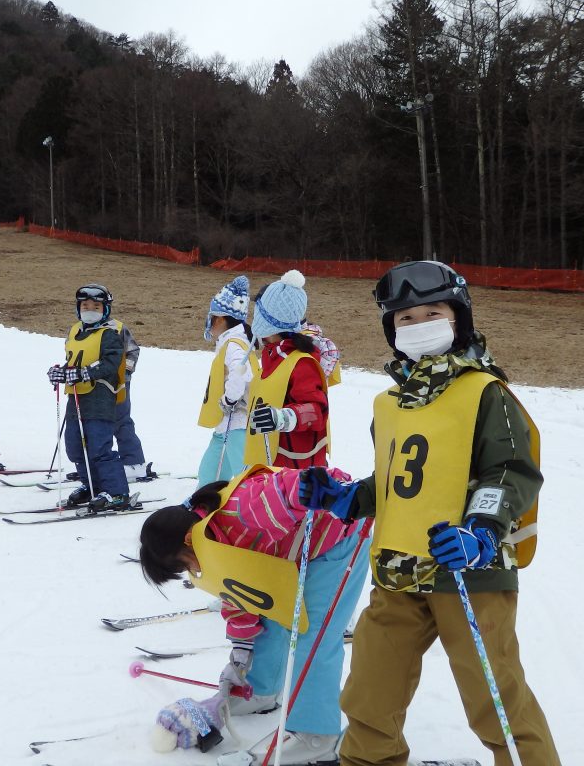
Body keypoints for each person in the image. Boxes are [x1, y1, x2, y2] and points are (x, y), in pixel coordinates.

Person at [332, 260, 560, 766]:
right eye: (404, 319)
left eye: (432, 312)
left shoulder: (485, 392)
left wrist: (480, 531)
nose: (417, 326)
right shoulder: (390, 403)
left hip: (469, 570)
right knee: (371, 692)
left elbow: (510, 473)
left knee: (494, 699)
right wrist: (348, 497)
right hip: (399, 571)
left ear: (458, 319)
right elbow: (402, 480)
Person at [139, 464, 372, 766]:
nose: (192, 571)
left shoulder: (239, 511)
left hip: (337, 542)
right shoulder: (211, 542)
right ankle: (260, 691)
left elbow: (280, 491)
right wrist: (241, 652)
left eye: (184, 565)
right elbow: (239, 595)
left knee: (309, 635)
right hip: (294, 556)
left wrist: (305, 488)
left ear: (186, 540)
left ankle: (316, 734)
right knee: (273, 616)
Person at [46, 284, 132, 512]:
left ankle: (116, 492)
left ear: (105, 310)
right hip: (76, 398)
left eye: (96, 306)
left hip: (100, 397)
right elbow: (75, 361)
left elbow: (110, 364)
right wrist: (61, 372)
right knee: (75, 446)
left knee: (98, 446)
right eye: (85, 306)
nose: (90, 310)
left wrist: (84, 372)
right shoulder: (75, 332)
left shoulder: (109, 335)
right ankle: (91, 485)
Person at [244, 270, 330, 469]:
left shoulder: (301, 363)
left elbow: (317, 411)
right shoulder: (272, 356)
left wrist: (282, 417)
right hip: (267, 462)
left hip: (294, 472)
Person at [197, 275, 257, 485]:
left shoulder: (233, 344)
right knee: (209, 473)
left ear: (221, 319)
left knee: (244, 477)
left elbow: (242, 372)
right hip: (227, 425)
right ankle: (204, 504)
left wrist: (230, 399)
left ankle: (251, 509)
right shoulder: (234, 341)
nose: (209, 322)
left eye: (211, 317)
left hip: (236, 422)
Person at [114, 323, 155, 482]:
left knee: (120, 421)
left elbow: (132, 351)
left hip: (119, 384)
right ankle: (94, 464)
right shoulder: (80, 329)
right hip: (91, 387)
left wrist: (123, 373)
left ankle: (134, 463)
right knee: (94, 425)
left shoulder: (117, 328)